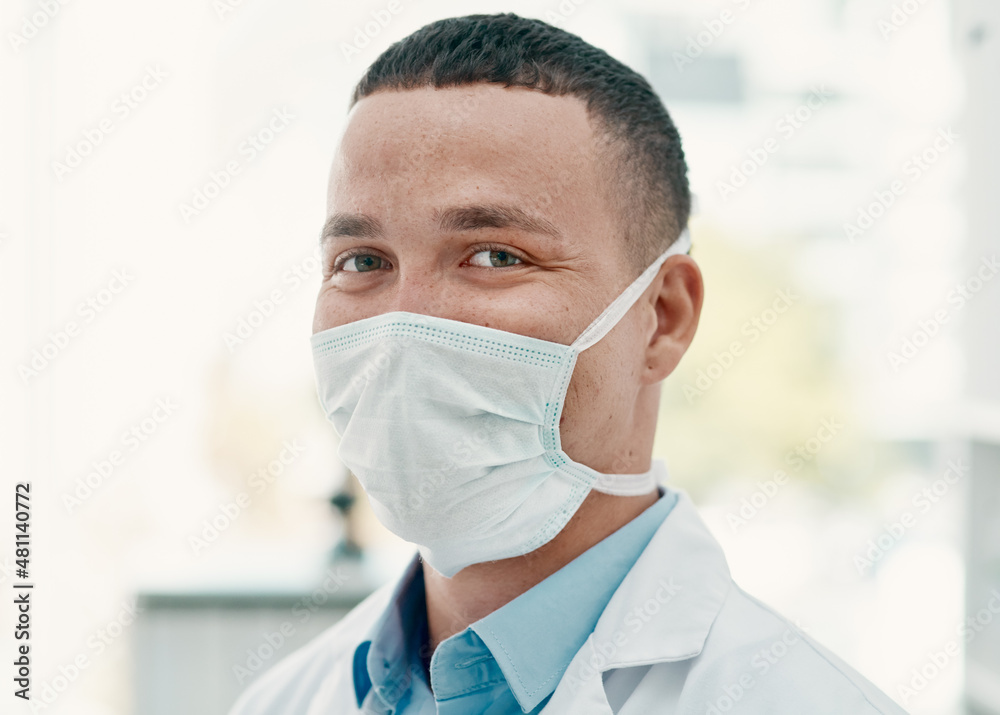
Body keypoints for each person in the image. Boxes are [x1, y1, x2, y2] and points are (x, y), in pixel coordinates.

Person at [230, 13, 907, 714]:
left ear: (663, 317)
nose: (407, 323)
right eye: (361, 261)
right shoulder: (280, 700)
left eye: (495, 255)